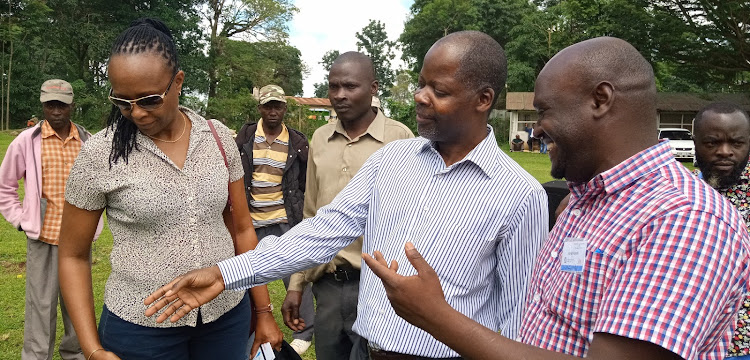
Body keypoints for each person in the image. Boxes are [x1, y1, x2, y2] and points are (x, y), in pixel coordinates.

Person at [145, 31, 548, 360]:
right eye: (421, 83)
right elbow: (323, 231)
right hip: (366, 352)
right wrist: (225, 272)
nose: (420, 97)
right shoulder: (392, 160)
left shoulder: (517, 195)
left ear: (483, 100)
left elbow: (518, 323)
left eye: (438, 90)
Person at [362, 37, 750, 360]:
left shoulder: (686, 218)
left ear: (600, 99)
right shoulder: (586, 203)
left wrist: (436, 316)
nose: (538, 129)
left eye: (544, 111)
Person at [57, 18, 282, 360]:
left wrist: (263, 311)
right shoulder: (99, 154)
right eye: (122, 101)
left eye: (149, 100)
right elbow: (72, 255)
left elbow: (241, 229)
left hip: (226, 317)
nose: (135, 113)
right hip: (141, 329)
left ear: (178, 82)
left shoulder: (218, 138)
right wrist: (92, 350)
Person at [282, 51, 413, 360]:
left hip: (378, 286)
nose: (339, 95)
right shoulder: (320, 137)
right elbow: (311, 217)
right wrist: (296, 283)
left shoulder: (400, 139)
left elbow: (411, 219)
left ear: (374, 88)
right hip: (328, 286)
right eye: (333, 86)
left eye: (350, 86)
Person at [0, 79, 101, 360]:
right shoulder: (27, 141)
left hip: (77, 238)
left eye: (62, 104)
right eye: (50, 104)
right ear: (43, 105)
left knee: (76, 301)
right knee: (41, 304)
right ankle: (35, 356)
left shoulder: (87, 141)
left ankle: (77, 353)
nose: (56, 110)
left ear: (71, 105)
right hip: (42, 236)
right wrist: (20, 219)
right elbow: (5, 186)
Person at [234, 84, 315, 355]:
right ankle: (248, 329)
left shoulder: (298, 142)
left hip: (284, 219)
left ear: (284, 109)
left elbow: (304, 183)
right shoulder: (244, 138)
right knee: (246, 279)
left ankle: (302, 331)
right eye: (267, 106)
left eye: (277, 106)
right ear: (260, 108)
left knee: (294, 275)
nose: (272, 111)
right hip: (251, 221)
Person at [692, 102, 750, 359]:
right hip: (694, 341)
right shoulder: (678, 194)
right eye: (712, 143)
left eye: (736, 143)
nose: (724, 152)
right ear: (695, 142)